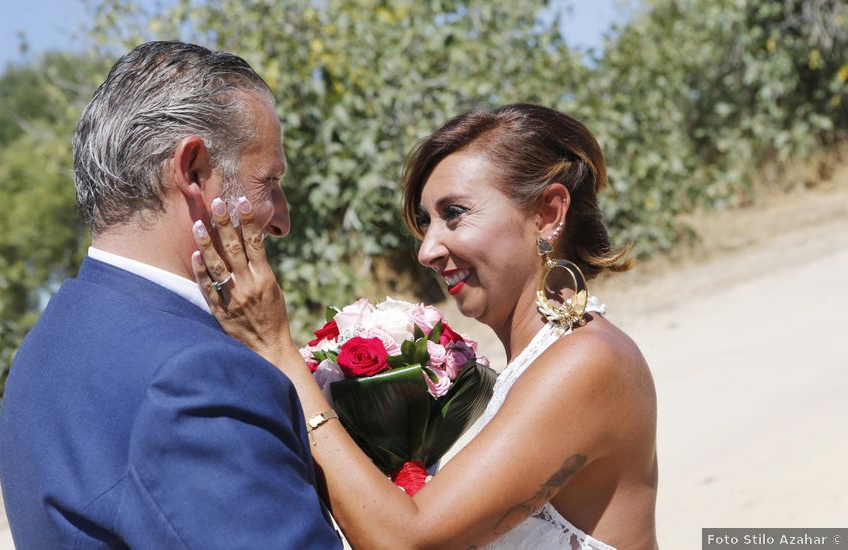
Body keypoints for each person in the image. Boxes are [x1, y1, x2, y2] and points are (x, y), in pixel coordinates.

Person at [191, 103, 658, 548]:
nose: (426, 250)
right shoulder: (535, 362)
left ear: (548, 214)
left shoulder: (587, 359)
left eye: (454, 214)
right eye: (424, 221)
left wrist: (278, 349)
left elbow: (408, 541)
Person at [0, 41, 342, 548]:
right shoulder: (196, 378)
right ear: (195, 171)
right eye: (269, 181)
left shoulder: (43, 352)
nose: (283, 220)